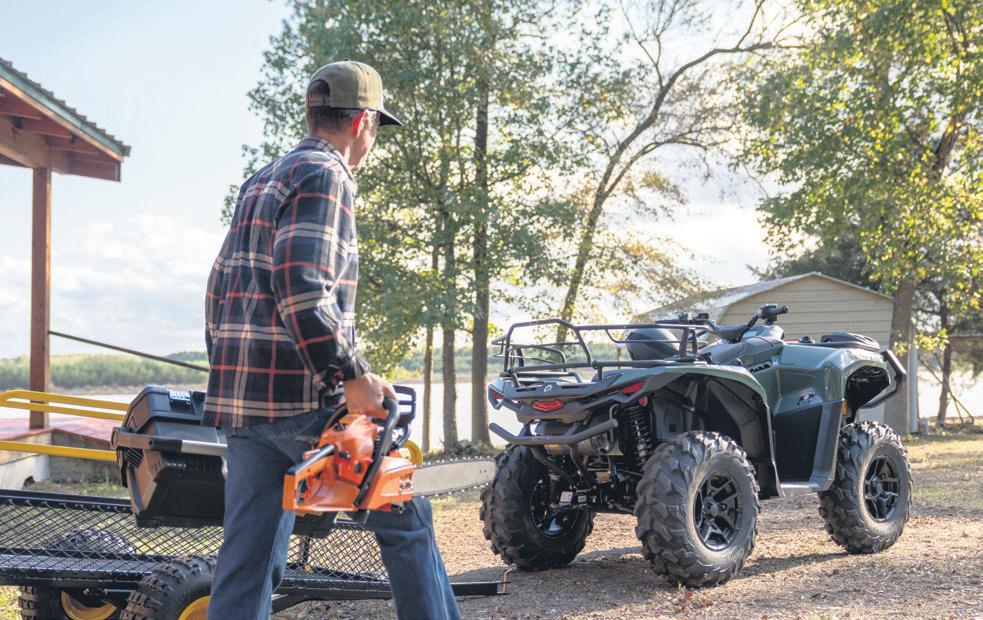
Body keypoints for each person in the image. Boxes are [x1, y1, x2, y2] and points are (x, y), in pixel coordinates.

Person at [203, 60, 461, 620]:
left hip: (244, 408)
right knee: (407, 519)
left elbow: (219, 288)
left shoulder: (260, 180)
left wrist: (229, 378)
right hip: (306, 403)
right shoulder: (327, 174)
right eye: (375, 130)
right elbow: (301, 286)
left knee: (247, 562)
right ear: (363, 122)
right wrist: (352, 374)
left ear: (312, 112)